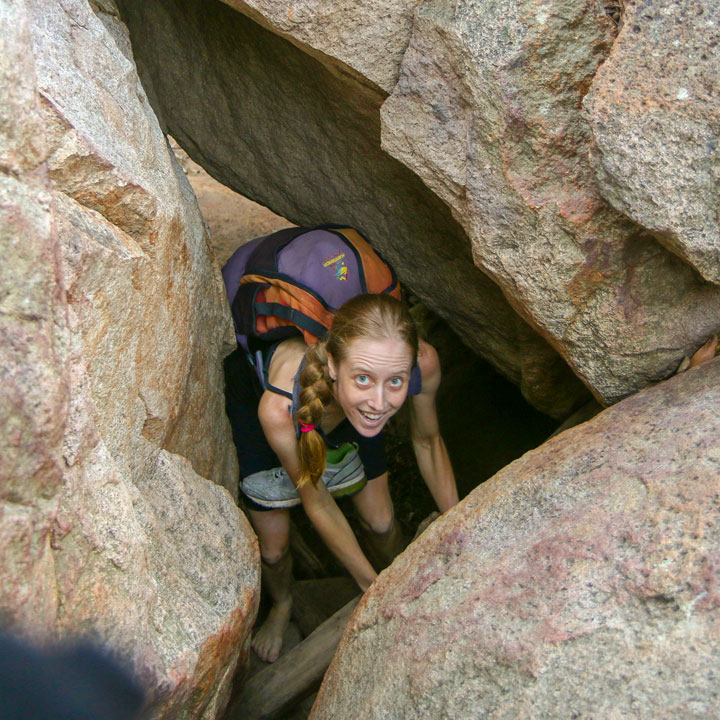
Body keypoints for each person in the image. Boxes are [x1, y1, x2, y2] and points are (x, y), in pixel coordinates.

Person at [224, 282, 458, 664]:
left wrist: (458, 525)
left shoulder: (417, 368)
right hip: (276, 409)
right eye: (364, 377)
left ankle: (394, 566)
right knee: (274, 547)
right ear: (333, 364)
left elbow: (429, 441)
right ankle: (283, 603)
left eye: (396, 381)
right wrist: (373, 591)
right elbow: (318, 502)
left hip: (345, 410)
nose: (381, 402)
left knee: (382, 523)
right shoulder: (276, 407)